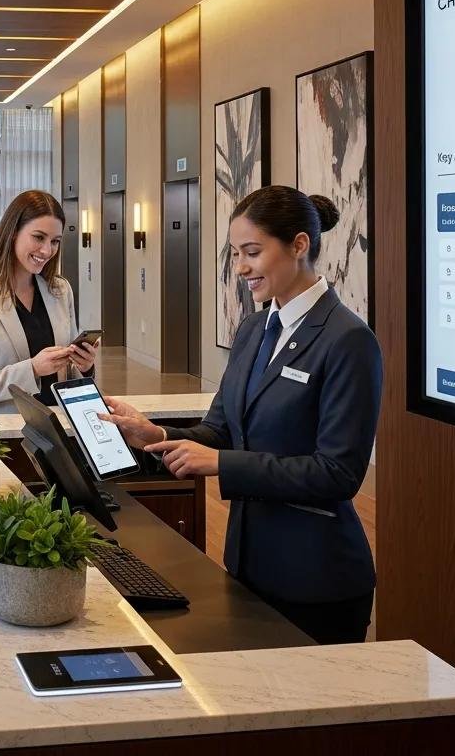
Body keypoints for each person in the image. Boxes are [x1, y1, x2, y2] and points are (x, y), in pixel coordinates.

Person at [102, 185, 382, 645]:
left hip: (316, 577)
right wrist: (154, 434)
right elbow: (221, 430)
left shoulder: (348, 340)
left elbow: (338, 473)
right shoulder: (254, 328)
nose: (240, 268)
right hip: (248, 562)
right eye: (235, 254)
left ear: (299, 245)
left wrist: (221, 464)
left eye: (252, 252)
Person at [0, 190, 97, 409]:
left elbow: (69, 377)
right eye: (38, 237)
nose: (47, 250)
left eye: (55, 241)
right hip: (11, 436)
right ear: (13, 233)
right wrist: (33, 369)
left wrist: (85, 367)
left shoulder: (60, 290)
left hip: (62, 429)